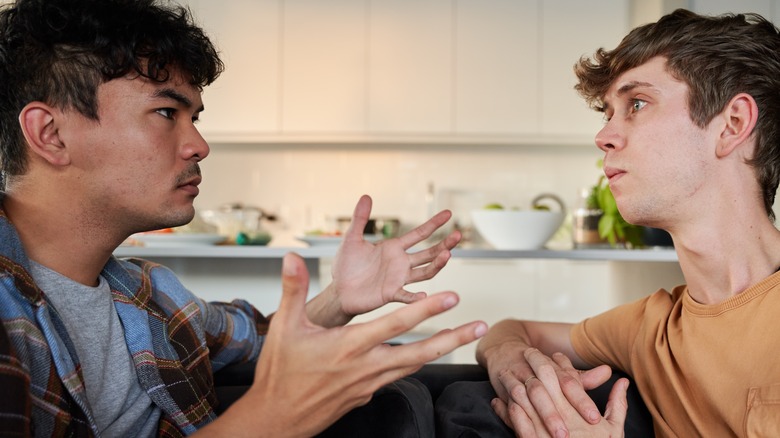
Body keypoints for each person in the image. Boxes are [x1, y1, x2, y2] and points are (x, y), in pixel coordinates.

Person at [0, 0, 488, 436]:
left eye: (196, 118)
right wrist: (271, 419)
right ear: (51, 134)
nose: (199, 146)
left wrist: (341, 298)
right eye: (168, 112)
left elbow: (258, 340)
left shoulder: (144, 294)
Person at [435, 8, 780, 437]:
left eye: (637, 103)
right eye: (608, 113)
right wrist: (511, 363)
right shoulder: (649, 329)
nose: (604, 137)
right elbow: (512, 329)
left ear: (732, 125)